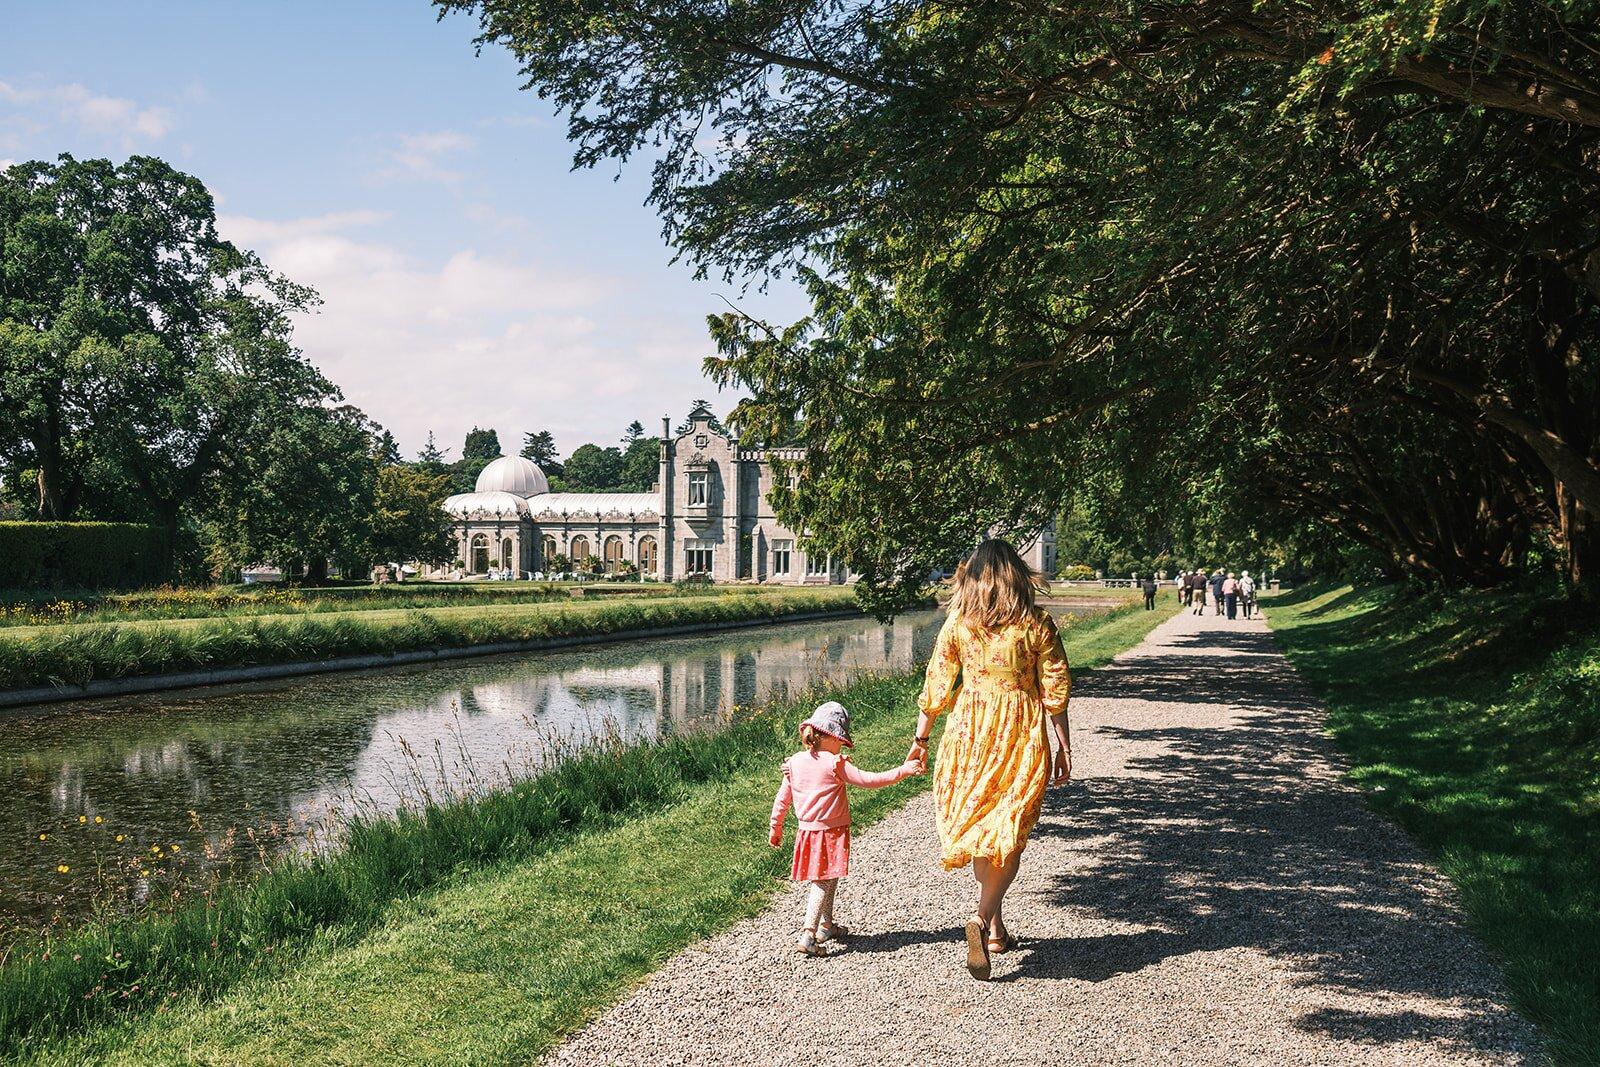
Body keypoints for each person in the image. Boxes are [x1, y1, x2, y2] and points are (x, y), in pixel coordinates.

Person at [910, 539, 1072, 980]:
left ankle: (995, 928)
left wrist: (921, 738)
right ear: (1017, 577)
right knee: (1008, 829)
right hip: (1019, 728)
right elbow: (1054, 686)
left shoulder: (958, 625)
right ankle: (983, 920)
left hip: (969, 730)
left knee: (986, 827)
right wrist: (1063, 745)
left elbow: (938, 682)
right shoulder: (1036, 623)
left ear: (973, 579)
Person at [769, 701, 923, 956]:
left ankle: (826, 926)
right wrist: (903, 771)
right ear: (829, 736)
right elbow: (869, 780)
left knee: (830, 876)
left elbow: (782, 798)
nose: (841, 744)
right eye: (840, 739)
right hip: (829, 832)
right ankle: (808, 933)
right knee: (823, 880)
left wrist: (776, 827)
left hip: (807, 831)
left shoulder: (795, 763)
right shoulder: (834, 763)